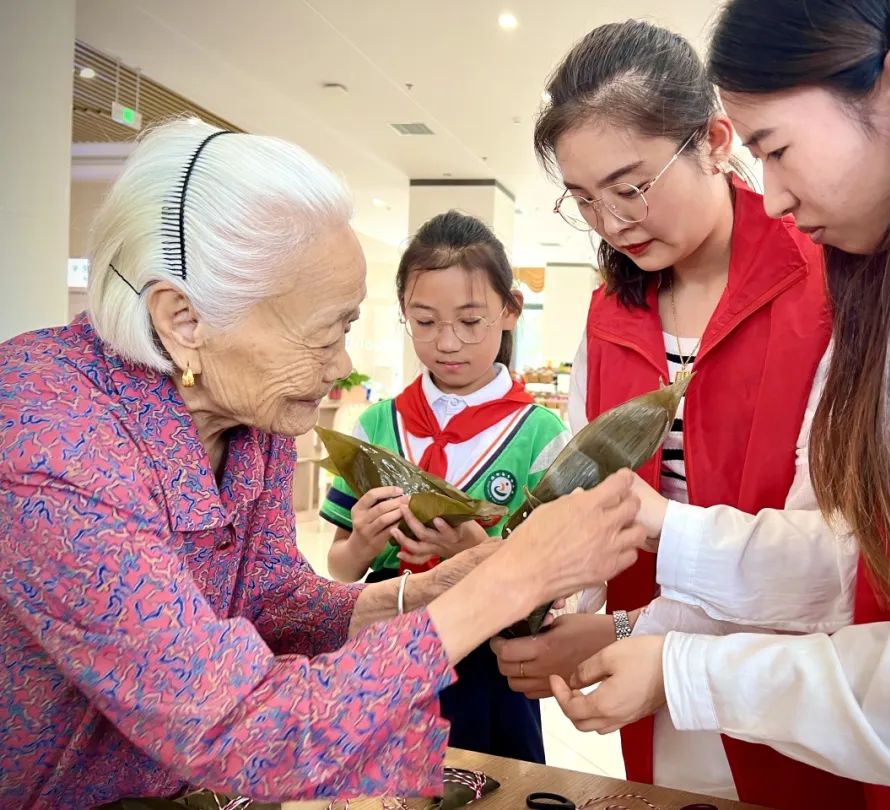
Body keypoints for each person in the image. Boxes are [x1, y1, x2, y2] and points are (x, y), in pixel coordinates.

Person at [0, 119, 646, 808]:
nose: (341, 368)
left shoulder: (253, 414)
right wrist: (513, 580)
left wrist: (429, 590)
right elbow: (240, 726)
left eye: (347, 327)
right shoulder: (47, 433)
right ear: (184, 320)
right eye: (324, 334)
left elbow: (275, 600)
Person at [553, 1, 890, 808]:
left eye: (777, 150)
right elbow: (849, 556)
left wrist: (684, 663)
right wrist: (656, 529)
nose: (772, 197)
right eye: (586, 201)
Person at [489, 19, 831, 788]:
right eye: (583, 200)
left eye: (631, 187)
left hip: (781, 682)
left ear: (714, 141)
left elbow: (829, 559)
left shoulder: (820, 282)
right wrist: (563, 608)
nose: (612, 224)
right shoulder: (613, 310)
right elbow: (582, 471)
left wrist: (622, 628)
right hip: (647, 692)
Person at [319, 210, 570, 764]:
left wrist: (473, 552)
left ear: (509, 312)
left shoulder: (541, 433)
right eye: (425, 321)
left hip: (490, 655)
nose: (447, 343)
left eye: (470, 320)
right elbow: (340, 568)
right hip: (389, 642)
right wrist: (361, 540)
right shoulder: (376, 426)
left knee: (494, 785)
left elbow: (553, 588)